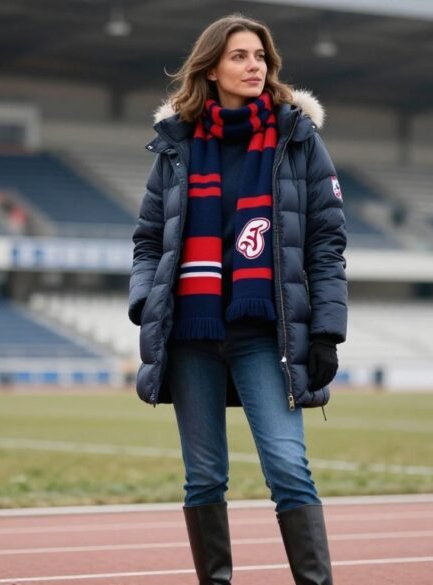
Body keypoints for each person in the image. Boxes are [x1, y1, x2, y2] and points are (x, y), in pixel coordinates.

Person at [128, 14, 346, 585]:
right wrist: (144, 304)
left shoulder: (297, 138)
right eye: (241, 56)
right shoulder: (176, 146)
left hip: (264, 334)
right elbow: (149, 240)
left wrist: (325, 331)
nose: (256, 66)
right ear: (212, 68)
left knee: (288, 469)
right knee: (203, 478)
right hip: (191, 333)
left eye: (261, 57)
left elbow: (326, 243)